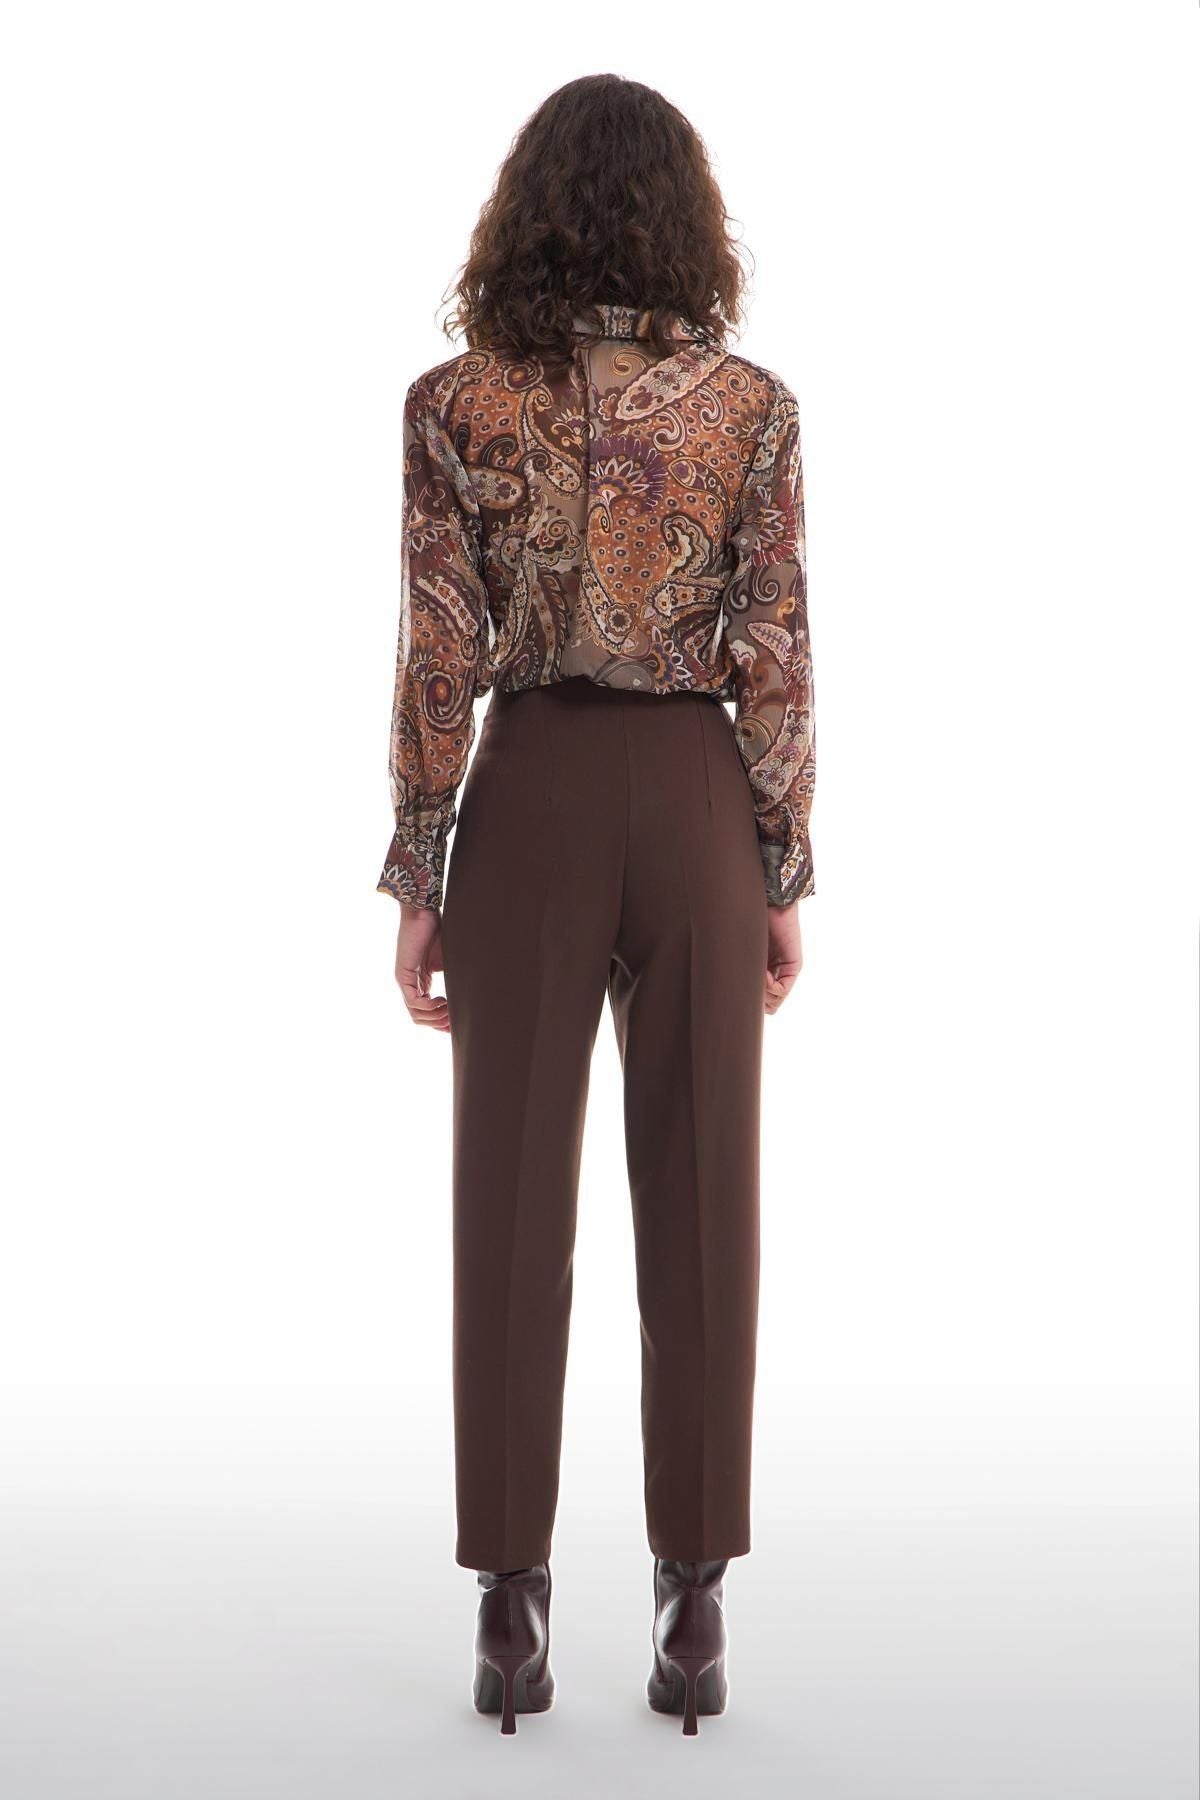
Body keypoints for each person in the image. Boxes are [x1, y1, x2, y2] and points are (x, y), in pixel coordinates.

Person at [377, 73, 815, 1737]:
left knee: (508, 1199)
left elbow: (438, 651)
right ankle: (694, 1606)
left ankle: (510, 1608)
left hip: (531, 797)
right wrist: (780, 866)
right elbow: (776, 648)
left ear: (528, 213)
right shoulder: (749, 409)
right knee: (705, 1192)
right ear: (685, 220)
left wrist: (421, 871)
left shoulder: (456, 403)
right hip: (697, 799)